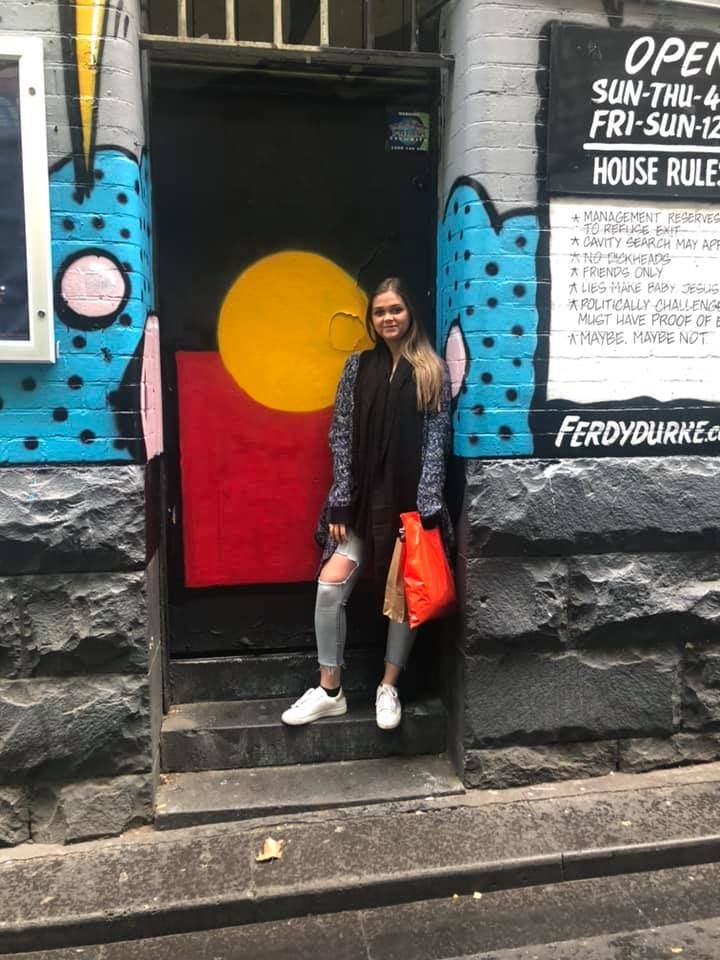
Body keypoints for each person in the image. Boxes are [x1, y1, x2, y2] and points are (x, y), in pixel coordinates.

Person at [281, 277, 452, 731]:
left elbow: (436, 441)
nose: (388, 318)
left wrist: (425, 509)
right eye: (380, 312)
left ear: (409, 312)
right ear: (371, 320)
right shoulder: (358, 368)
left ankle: (388, 685)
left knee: (405, 595)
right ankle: (329, 689)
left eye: (395, 309)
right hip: (359, 504)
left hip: (410, 506)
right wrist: (339, 502)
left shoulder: (432, 369)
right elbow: (341, 436)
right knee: (330, 586)